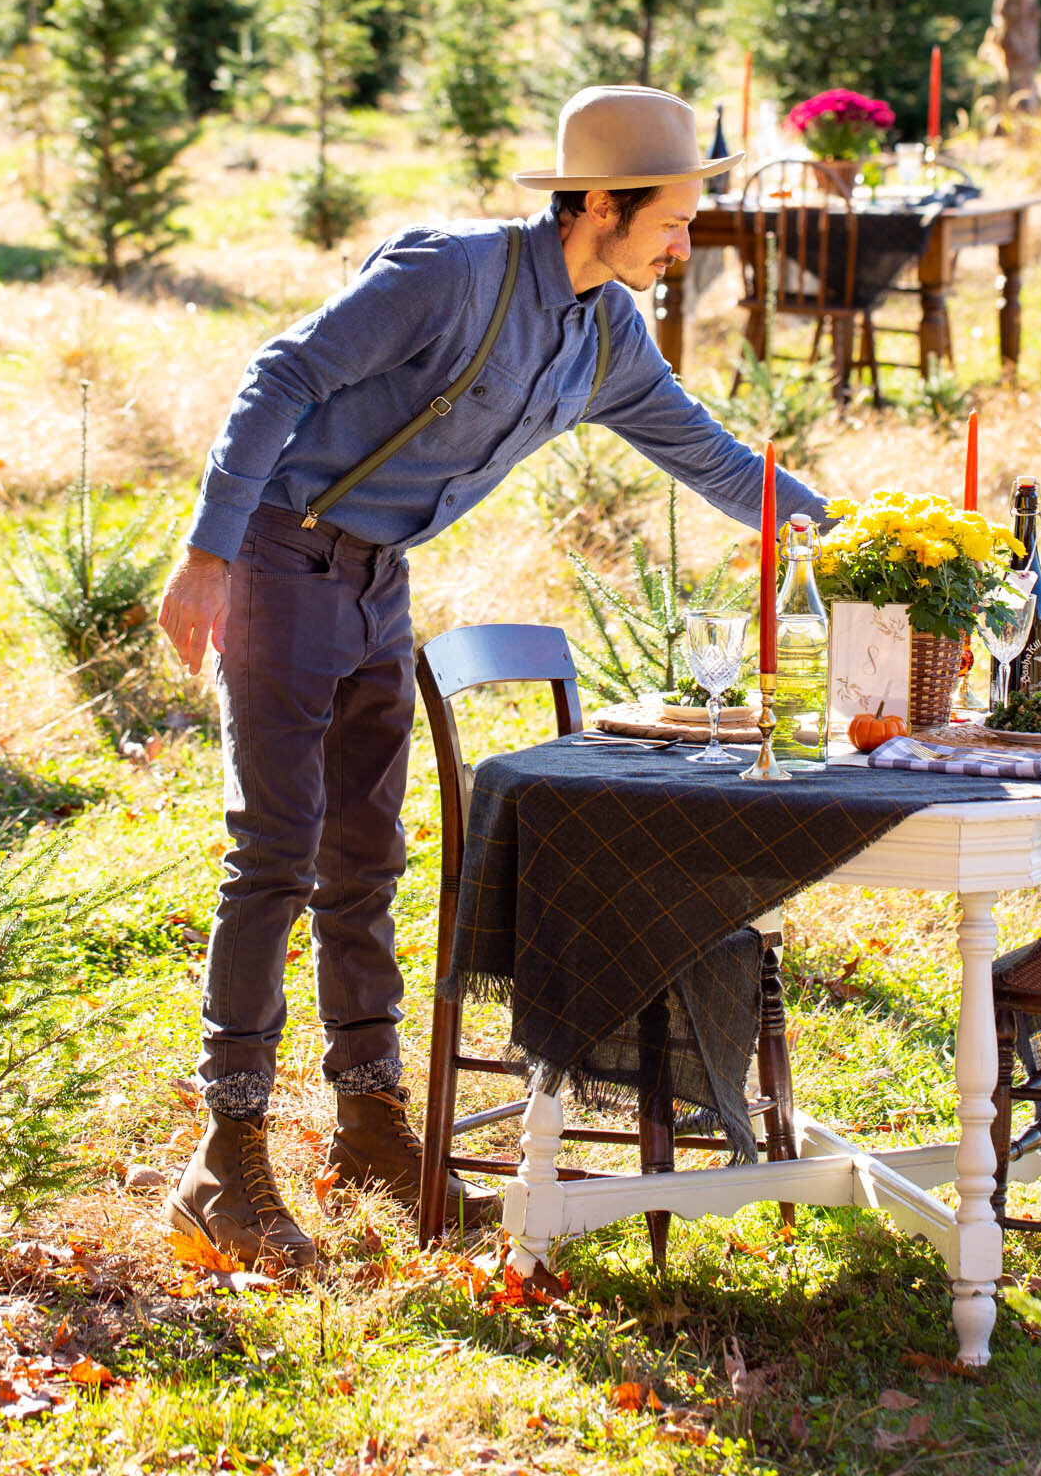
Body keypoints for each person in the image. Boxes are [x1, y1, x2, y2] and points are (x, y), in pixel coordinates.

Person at [157, 84, 826, 1268]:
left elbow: (711, 458)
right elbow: (281, 375)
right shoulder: (454, 275)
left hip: (375, 585)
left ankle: (367, 1120)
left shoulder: (606, 331)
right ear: (603, 205)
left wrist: (851, 537)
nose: (685, 248)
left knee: (362, 861)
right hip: (275, 556)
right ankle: (227, 1160)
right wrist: (209, 554)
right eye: (671, 221)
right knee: (274, 853)